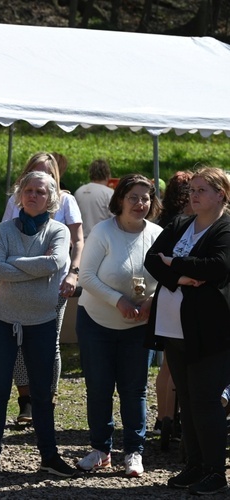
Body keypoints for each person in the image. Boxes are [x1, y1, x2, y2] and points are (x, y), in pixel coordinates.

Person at [0, 170, 76, 477]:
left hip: (42, 322)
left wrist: (14, 262)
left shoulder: (59, 231)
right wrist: (34, 267)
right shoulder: (3, 230)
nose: (34, 195)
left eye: (41, 192)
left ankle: (49, 456)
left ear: (51, 199)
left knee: (42, 393)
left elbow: (57, 263)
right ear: (20, 195)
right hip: (3, 321)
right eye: (29, 190)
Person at [144, 166, 230, 495]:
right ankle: (194, 465)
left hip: (210, 332)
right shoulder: (181, 224)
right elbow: (152, 259)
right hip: (172, 328)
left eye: (201, 190)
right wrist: (179, 277)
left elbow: (217, 267)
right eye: (192, 190)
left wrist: (173, 264)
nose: (193, 196)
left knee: (206, 400)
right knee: (189, 400)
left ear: (220, 194)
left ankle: (215, 472)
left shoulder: (225, 227)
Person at [75, 173, 162, 478]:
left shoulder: (158, 234)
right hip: (96, 323)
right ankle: (100, 450)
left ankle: (134, 452)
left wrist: (151, 302)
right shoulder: (103, 231)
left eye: (146, 197)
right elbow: (86, 278)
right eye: (134, 197)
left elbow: (167, 278)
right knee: (98, 387)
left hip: (138, 326)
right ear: (120, 200)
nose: (140, 203)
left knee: (134, 389)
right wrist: (119, 301)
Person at [2, 152, 83, 423]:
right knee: (18, 341)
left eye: (47, 172)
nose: (40, 177)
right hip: (18, 282)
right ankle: (26, 401)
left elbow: (77, 241)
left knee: (50, 342)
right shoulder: (16, 200)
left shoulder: (67, 201)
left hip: (54, 283)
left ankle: (47, 396)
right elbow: (3, 239)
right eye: (34, 171)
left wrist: (73, 272)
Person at [152, 170, 193, 447]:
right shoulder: (184, 225)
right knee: (174, 366)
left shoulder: (168, 220)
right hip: (176, 298)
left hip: (166, 296)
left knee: (168, 366)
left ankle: (164, 419)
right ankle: (171, 421)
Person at [74, 159, 114, 240]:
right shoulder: (109, 193)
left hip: (80, 240)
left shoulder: (78, 191)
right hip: (102, 241)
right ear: (108, 175)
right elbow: (117, 220)